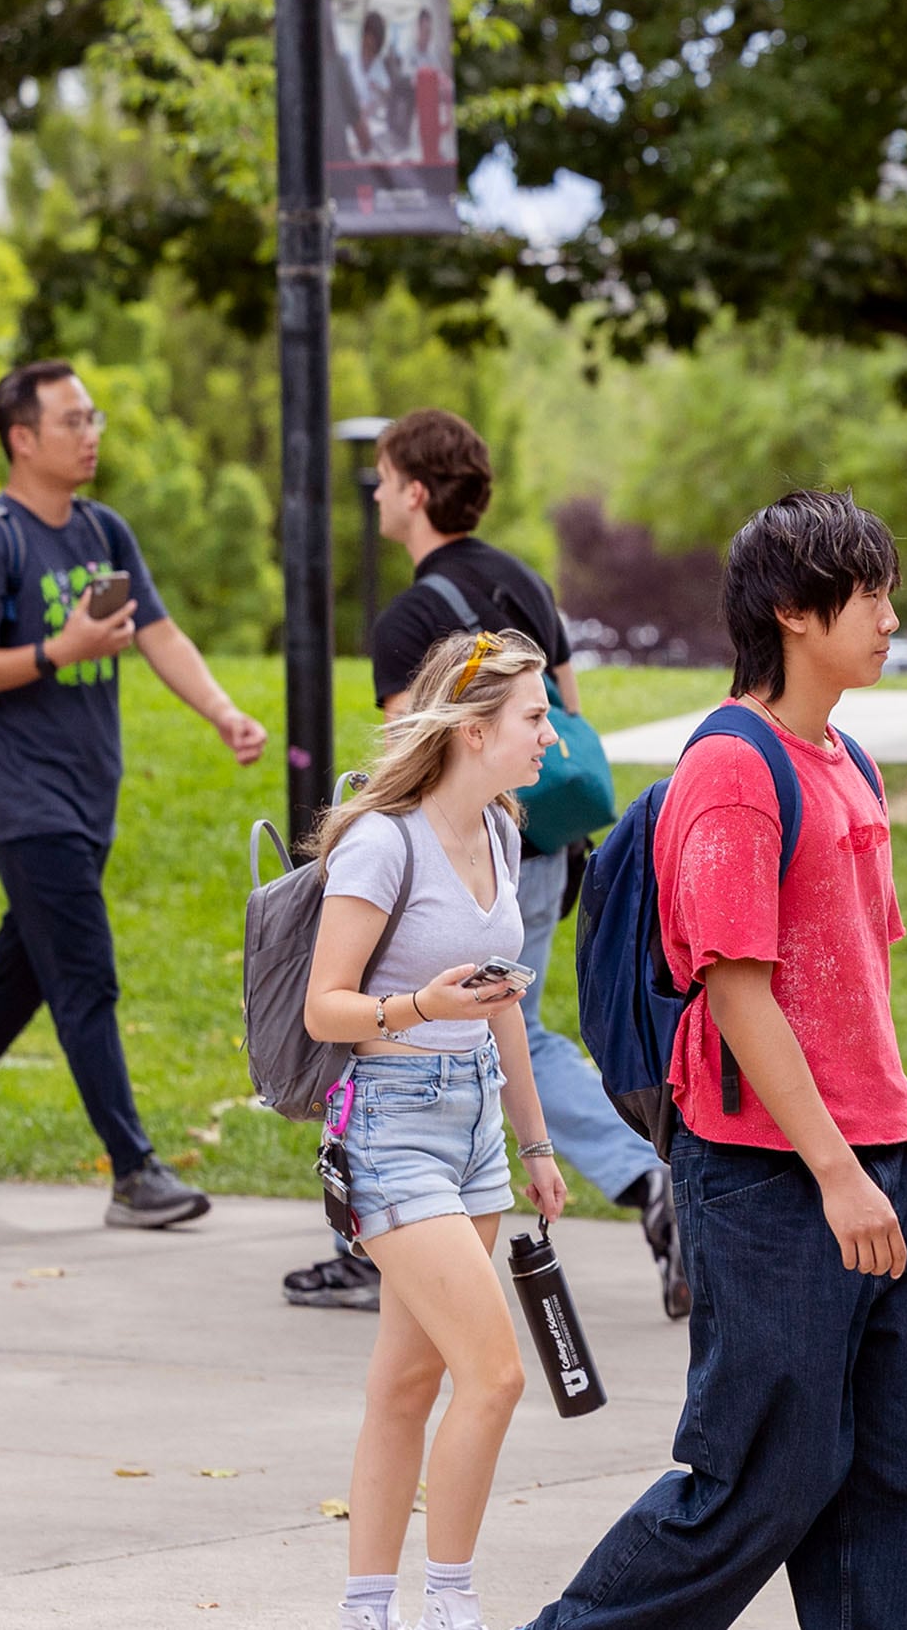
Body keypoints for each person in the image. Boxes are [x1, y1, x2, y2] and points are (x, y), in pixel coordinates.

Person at [530, 491, 907, 1630]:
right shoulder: (731, 770)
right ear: (792, 610)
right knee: (758, 1485)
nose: (888, 614)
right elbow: (737, 991)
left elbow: (854, 980)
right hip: (775, 1175)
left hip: (886, 1156)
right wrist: (836, 1172)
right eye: (866, 591)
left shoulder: (845, 757)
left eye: (887, 587)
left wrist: (879, 1154)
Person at [284, 409, 678, 1320]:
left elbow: (414, 765)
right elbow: (565, 720)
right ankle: (628, 1178)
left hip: (467, 848)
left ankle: (630, 1178)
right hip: (540, 846)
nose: (376, 492)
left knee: (483, 1021)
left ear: (416, 492)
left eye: (383, 477)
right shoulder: (525, 580)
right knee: (513, 1020)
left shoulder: (412, 616)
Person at [0, 361, 265, 1228]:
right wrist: (61, 647)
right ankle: (135, 1171)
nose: (91, 433)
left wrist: (222, 711)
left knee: (23, 970)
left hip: (93, 792)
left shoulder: (102, 529)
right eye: (72, 420)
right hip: (26, 798)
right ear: (23, 436)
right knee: (84, 974)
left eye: (93, 417)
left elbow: (158, 633)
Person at [305, 627, 570, 1630]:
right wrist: (419, 1006)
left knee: (409, 1379)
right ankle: (450, 1602)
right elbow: (325, 1006)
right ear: (471, 728)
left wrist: (536, 1140)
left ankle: (366, 1609)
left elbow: (505, 1003)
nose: (552, 736)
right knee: (495, 1373)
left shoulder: (502, 831)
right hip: (390, 1123)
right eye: (535, 718)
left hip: (475, 1137)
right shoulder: (384, 841)